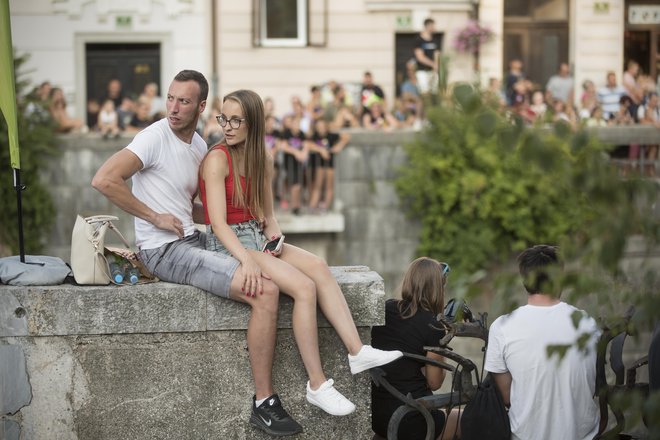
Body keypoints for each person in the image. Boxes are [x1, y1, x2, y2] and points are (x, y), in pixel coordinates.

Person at [92, 70, 303, 437]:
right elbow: (105, 180)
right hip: (164, 250)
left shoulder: (200, 147)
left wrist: (254, 223)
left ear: (202, 106)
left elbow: (193, 209)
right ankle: (264, 403)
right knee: (265, 291)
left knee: (279, 265)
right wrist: (154, 216)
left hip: (193, 239)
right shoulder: (153, 138)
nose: (173, 108)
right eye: (170, 98)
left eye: (183, 101)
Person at [198, 89, 403, 429]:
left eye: (236, 120)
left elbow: (267, 214)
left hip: (255, 237)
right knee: (304, 288)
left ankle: (356, 352)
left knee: (319, 267)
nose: (228, 126)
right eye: (224, 118)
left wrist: (275, 238)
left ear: (253, 123)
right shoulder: (217, 159)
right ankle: (317, 385)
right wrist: (247, 260)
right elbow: (217, 223)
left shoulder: (261, 157)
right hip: (230, 246)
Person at [485, 245, 600, 440]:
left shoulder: (502, 327)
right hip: (581, 435)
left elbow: (508, 398)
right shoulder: (587, 323)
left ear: (524, 280)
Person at [370, 257, 460, 440]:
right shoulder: (434, 326)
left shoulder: (386, 309)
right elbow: (434, 383)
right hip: (410, 417)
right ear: (438, 289)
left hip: (379, 416)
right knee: (467, 419)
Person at [305, 118, 350, 212]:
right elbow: (308, 144)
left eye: (322, 126)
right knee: (318, 184)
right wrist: (321, 150)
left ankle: (325, 207)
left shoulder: (332, 135)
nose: (321, 128)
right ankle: (313, 205)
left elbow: (346, 137)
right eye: (319, 126)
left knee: (329, 185)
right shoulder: (314, 136)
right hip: (318, 163)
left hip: (330, 163)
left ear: (326, 126)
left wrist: (339, 146)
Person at [413, 18, 440, 96]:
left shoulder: (435, 40)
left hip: (433, 71)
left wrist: (436, 65)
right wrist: (433, 64)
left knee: (434, 93)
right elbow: (420, 57)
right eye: (432, 26)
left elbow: (437, 54)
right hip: (422, 71)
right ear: (427, 26)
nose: (434, 28)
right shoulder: (418, 40)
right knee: (425, 93)